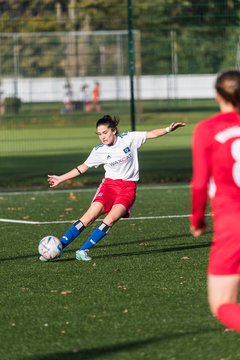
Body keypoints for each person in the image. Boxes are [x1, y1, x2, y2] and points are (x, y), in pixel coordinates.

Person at [45, 114, 185, 262]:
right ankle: (59, 247)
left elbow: (151, 134)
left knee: (110, 219)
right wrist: (60, 178)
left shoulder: (129, 139)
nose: (102, 137)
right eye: (99, 134)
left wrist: (168, 129)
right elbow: (82, 168)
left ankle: (83, 250)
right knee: (88, 217)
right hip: (109, 187)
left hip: (128, 188)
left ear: (114, 130)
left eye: (105, 132)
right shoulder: (99, 151)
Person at [190, 69, 240, 332]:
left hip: (233, 226)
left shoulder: (206, 129)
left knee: (222, 305)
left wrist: (197, 221)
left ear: (217, 96)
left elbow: (199, 183)